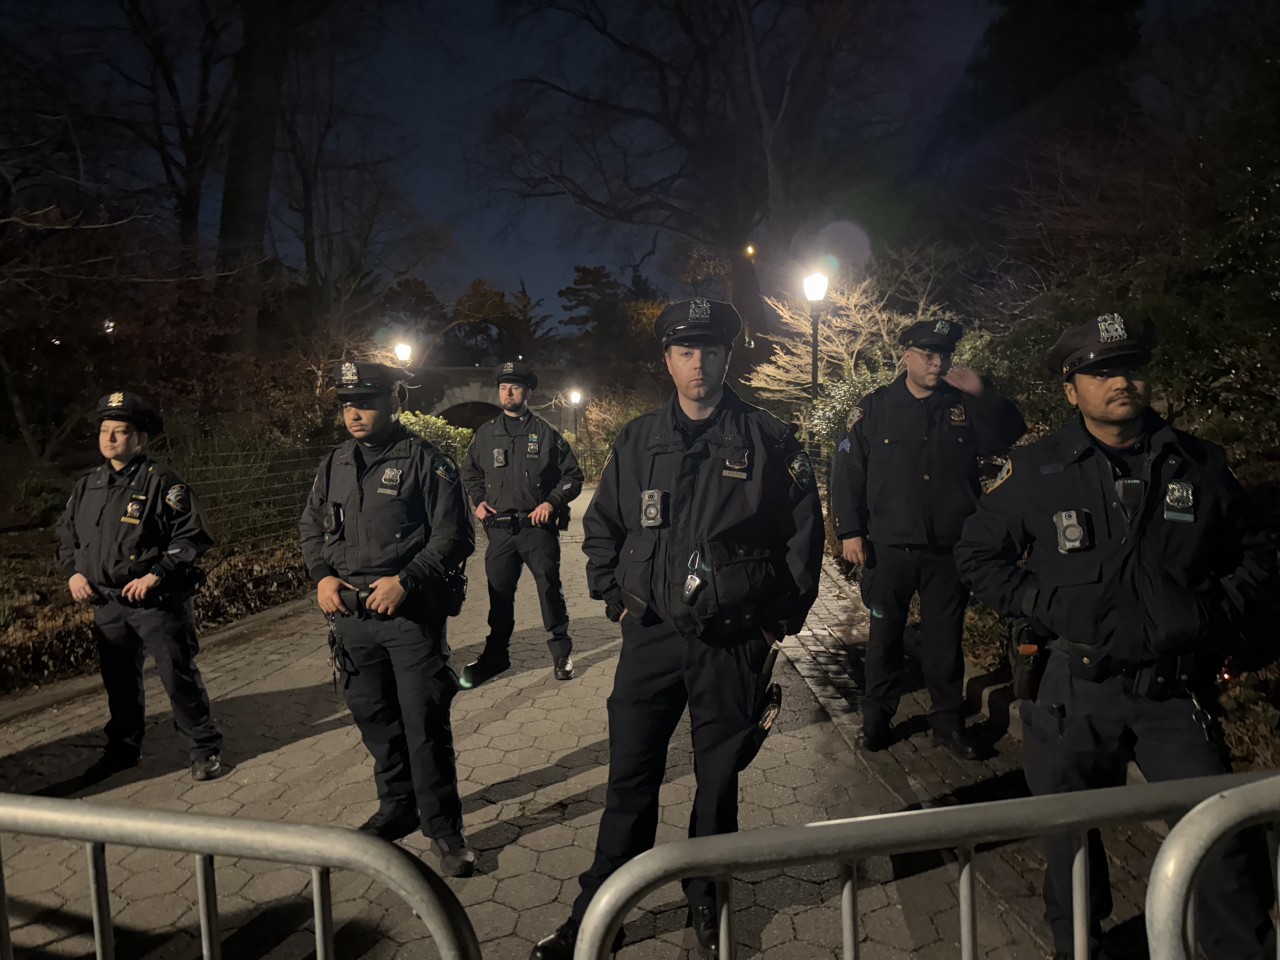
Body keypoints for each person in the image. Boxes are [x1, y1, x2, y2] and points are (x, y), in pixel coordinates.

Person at [954, 314, 1276, 959]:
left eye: (1128, 366)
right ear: (1072, 389)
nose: (1119, 381)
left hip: (1171, 692)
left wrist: (1209, 615)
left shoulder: (1200, 464)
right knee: (1070, 850)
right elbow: (977, 557)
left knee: (1220, 852)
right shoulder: (1037, 470)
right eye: (1099, 371)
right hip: (1072, 691)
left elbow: (1260, 553)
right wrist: (1043, 604)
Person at [530, 298, 825, 960]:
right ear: (666, 359)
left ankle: (707, 899)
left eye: (712, 352)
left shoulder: (770, 440)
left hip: (732, 642)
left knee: (718, 784)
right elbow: (603, 524)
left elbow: (803, 539)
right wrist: (618, 596)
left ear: (728, 357)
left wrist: (772, 627)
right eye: (686, 352)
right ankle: (599, 913)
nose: (699, 365)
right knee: (629, 779)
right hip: (653, 639)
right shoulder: (637, 440)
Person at [299, 361, 477, 877]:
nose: (355, 412)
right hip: (350, 617)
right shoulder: (334, 463)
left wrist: (407, 580)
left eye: (367, 401)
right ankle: (397, 807)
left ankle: (444, 829)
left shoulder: (426, 459)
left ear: (393, 403)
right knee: (374, 717)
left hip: (408, 615)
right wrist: (321, 576)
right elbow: (312, 526)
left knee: (424, 723)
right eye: (347, 403)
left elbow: (455, 535)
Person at [830, 319, 1025, 757]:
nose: (938, 364)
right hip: (888, 547)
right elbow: (848, 473)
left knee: (944, 641)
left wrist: (983, 393)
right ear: (907, 356)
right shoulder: (875, 407)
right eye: (928, 355)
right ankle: (876, 720)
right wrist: (850, 531)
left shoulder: (962, 405)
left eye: (944, 356)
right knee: (884, 638)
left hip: (947, 548)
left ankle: (947, 722)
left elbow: (1010, 433)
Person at [56, 391, 226, 782]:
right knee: (119, 683)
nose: (110, 439)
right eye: (104, 430)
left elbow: (191, 536)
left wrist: (157, 573)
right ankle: (123, 749)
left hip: (155, 602)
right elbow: (67, 538)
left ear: (140, 439)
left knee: (176, 676)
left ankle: (204, 749)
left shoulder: (162, 482)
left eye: (120, 431)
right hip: (107, 603)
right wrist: (73, 573)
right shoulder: (87, 485)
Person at [458, 361, 584, 687]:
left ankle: (561, 653)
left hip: (536, 529)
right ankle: (496, 656)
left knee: (549, 590)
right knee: (499, 595)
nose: (508, 392)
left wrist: (551, 502)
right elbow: (470, 472)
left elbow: (573, 476)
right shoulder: (486, 434)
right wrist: (476, 500)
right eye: (503, 387)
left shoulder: (545, 434)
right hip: (499, 531)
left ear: (528, 392)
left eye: (514, 387)